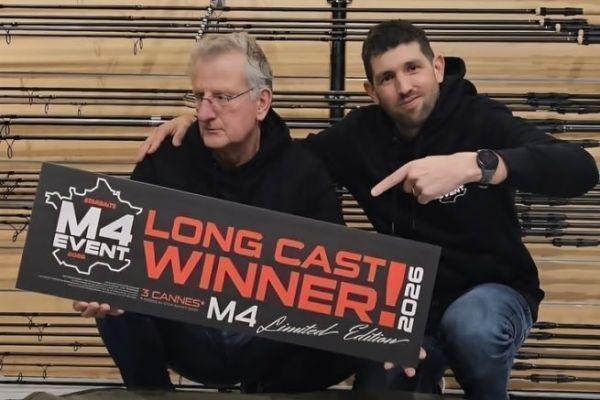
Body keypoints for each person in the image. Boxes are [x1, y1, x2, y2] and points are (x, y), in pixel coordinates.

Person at [138, 20, 599, 400]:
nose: (404, 86)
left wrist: (475, 165)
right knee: (382, 384)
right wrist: (206, 122)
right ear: (371, 90)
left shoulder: (482, 119)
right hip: (404, 311)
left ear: (437, 67)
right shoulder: (358, 137)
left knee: (472, 327)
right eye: (387, 78)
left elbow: (579, 168)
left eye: (413, 68)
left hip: (490, 293)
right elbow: (281, 159)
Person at [73, 32, 366, 392]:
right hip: (186, 331)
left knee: (360, 319)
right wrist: (99, 283)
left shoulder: (303, 172)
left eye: (223, 98)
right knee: (111, 284)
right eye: (200, 97)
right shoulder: (164, 161)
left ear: (262, 103)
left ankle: (268, 394)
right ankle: (152, 396)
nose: (205, 113)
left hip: (270, 343)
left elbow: (339, 282)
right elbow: (118, 259)